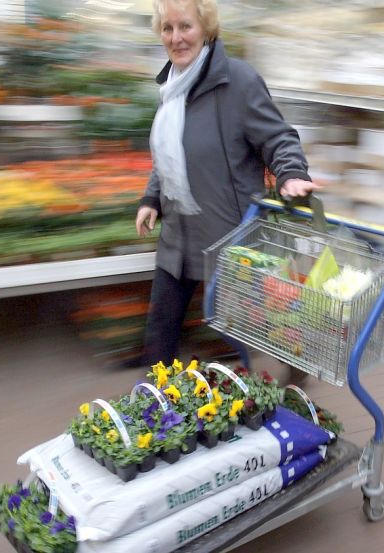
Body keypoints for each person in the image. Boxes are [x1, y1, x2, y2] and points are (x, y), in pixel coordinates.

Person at [136, 0, 319, 367]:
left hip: (229, 235)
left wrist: (292, 173)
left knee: (253, 327)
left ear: (206, 28)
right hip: (179, 234)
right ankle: (152, 400)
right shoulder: (172, 87)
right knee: (161, 325)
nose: (176, 38)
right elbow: (171, 154)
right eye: (167, 29)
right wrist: (152, 198)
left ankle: (296, 365)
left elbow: (279, 138)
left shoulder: (238, 81)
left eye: (185, 26)